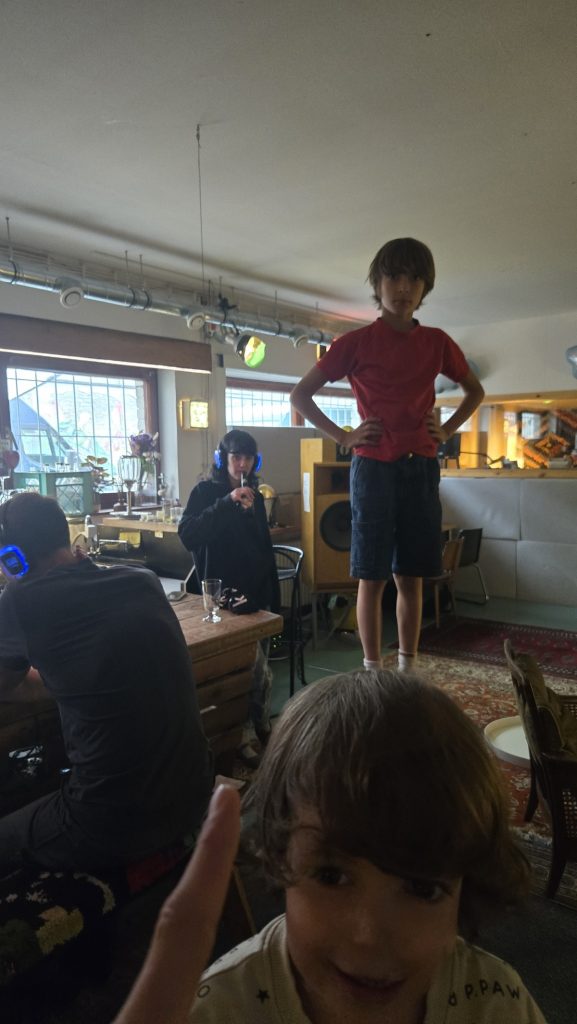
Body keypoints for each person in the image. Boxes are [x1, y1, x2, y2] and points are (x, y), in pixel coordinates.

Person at [115, 670, 546, 1024]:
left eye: (422, 887)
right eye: (331, 876)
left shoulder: (498, 1005)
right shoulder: (216, 1011)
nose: (368, 936)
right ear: (279, 853)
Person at [290, 237, 485, 673]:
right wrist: (344, 436)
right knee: (372, 576)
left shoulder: (437, 342)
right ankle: (373, 672)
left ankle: (406, 669)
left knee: (410, 576)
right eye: (394, 276)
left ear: (425, 287)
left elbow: (475, 391)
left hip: (421, 468)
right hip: (373, 468)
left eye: (414, 278)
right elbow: (300, 395)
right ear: (377, 284)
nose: (404, 287)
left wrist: (447, 430)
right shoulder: (355, 342)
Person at [0, 492, 213, 874]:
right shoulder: (142, 581)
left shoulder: (21, 600)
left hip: (111, 824)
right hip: (193, 796)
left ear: (12, 557)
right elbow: (88, 671)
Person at [178, 429, 280, 766]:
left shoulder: (257, 497)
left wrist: (271, 594)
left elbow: (262, 548)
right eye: (236, 457)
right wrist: (227, 503)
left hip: (255, 595)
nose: (242, 464)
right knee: (248, 673)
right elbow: (188, 534)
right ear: (223, 459)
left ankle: (261, 730)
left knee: (261, 676)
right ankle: (243, 737)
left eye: (248, 458)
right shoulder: (205, 492)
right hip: (222, 599)